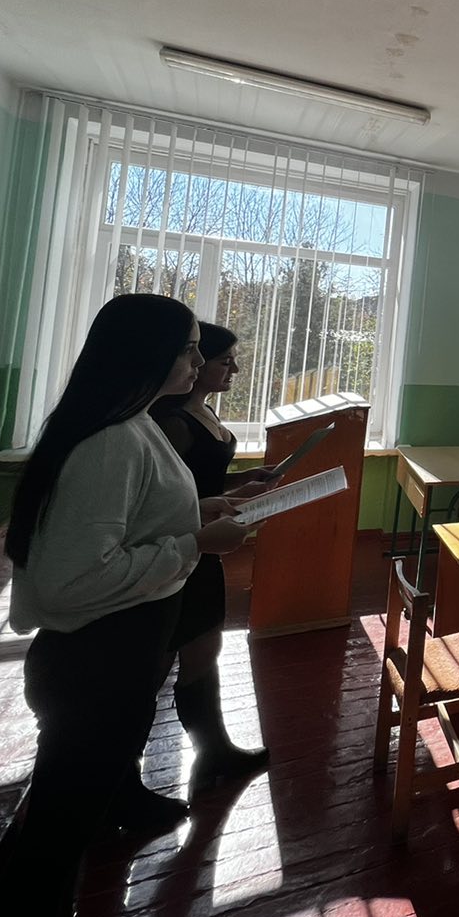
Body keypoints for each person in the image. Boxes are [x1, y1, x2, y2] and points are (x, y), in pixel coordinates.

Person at [0, 295, 249, 917]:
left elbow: (134, 518)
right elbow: (73, 580)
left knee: (81, 795)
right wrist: (194, 544)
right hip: (96, 658)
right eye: (189, 349)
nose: (200, 362)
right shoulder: (110, 440)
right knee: (60, 824)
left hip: (122, 650)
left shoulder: (131, 423)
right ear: (146, 353)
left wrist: (198, 512)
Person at [150, 322, 279, 792]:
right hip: (182, 543)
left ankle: (214, 751)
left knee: (205, 647)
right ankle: (122, 764)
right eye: (224, 361)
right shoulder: (171, 423)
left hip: (205, 540)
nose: (233, 370)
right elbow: (165, 495)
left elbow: (199, 480)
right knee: (164, 654)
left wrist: (242, 482)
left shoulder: (203, 412)